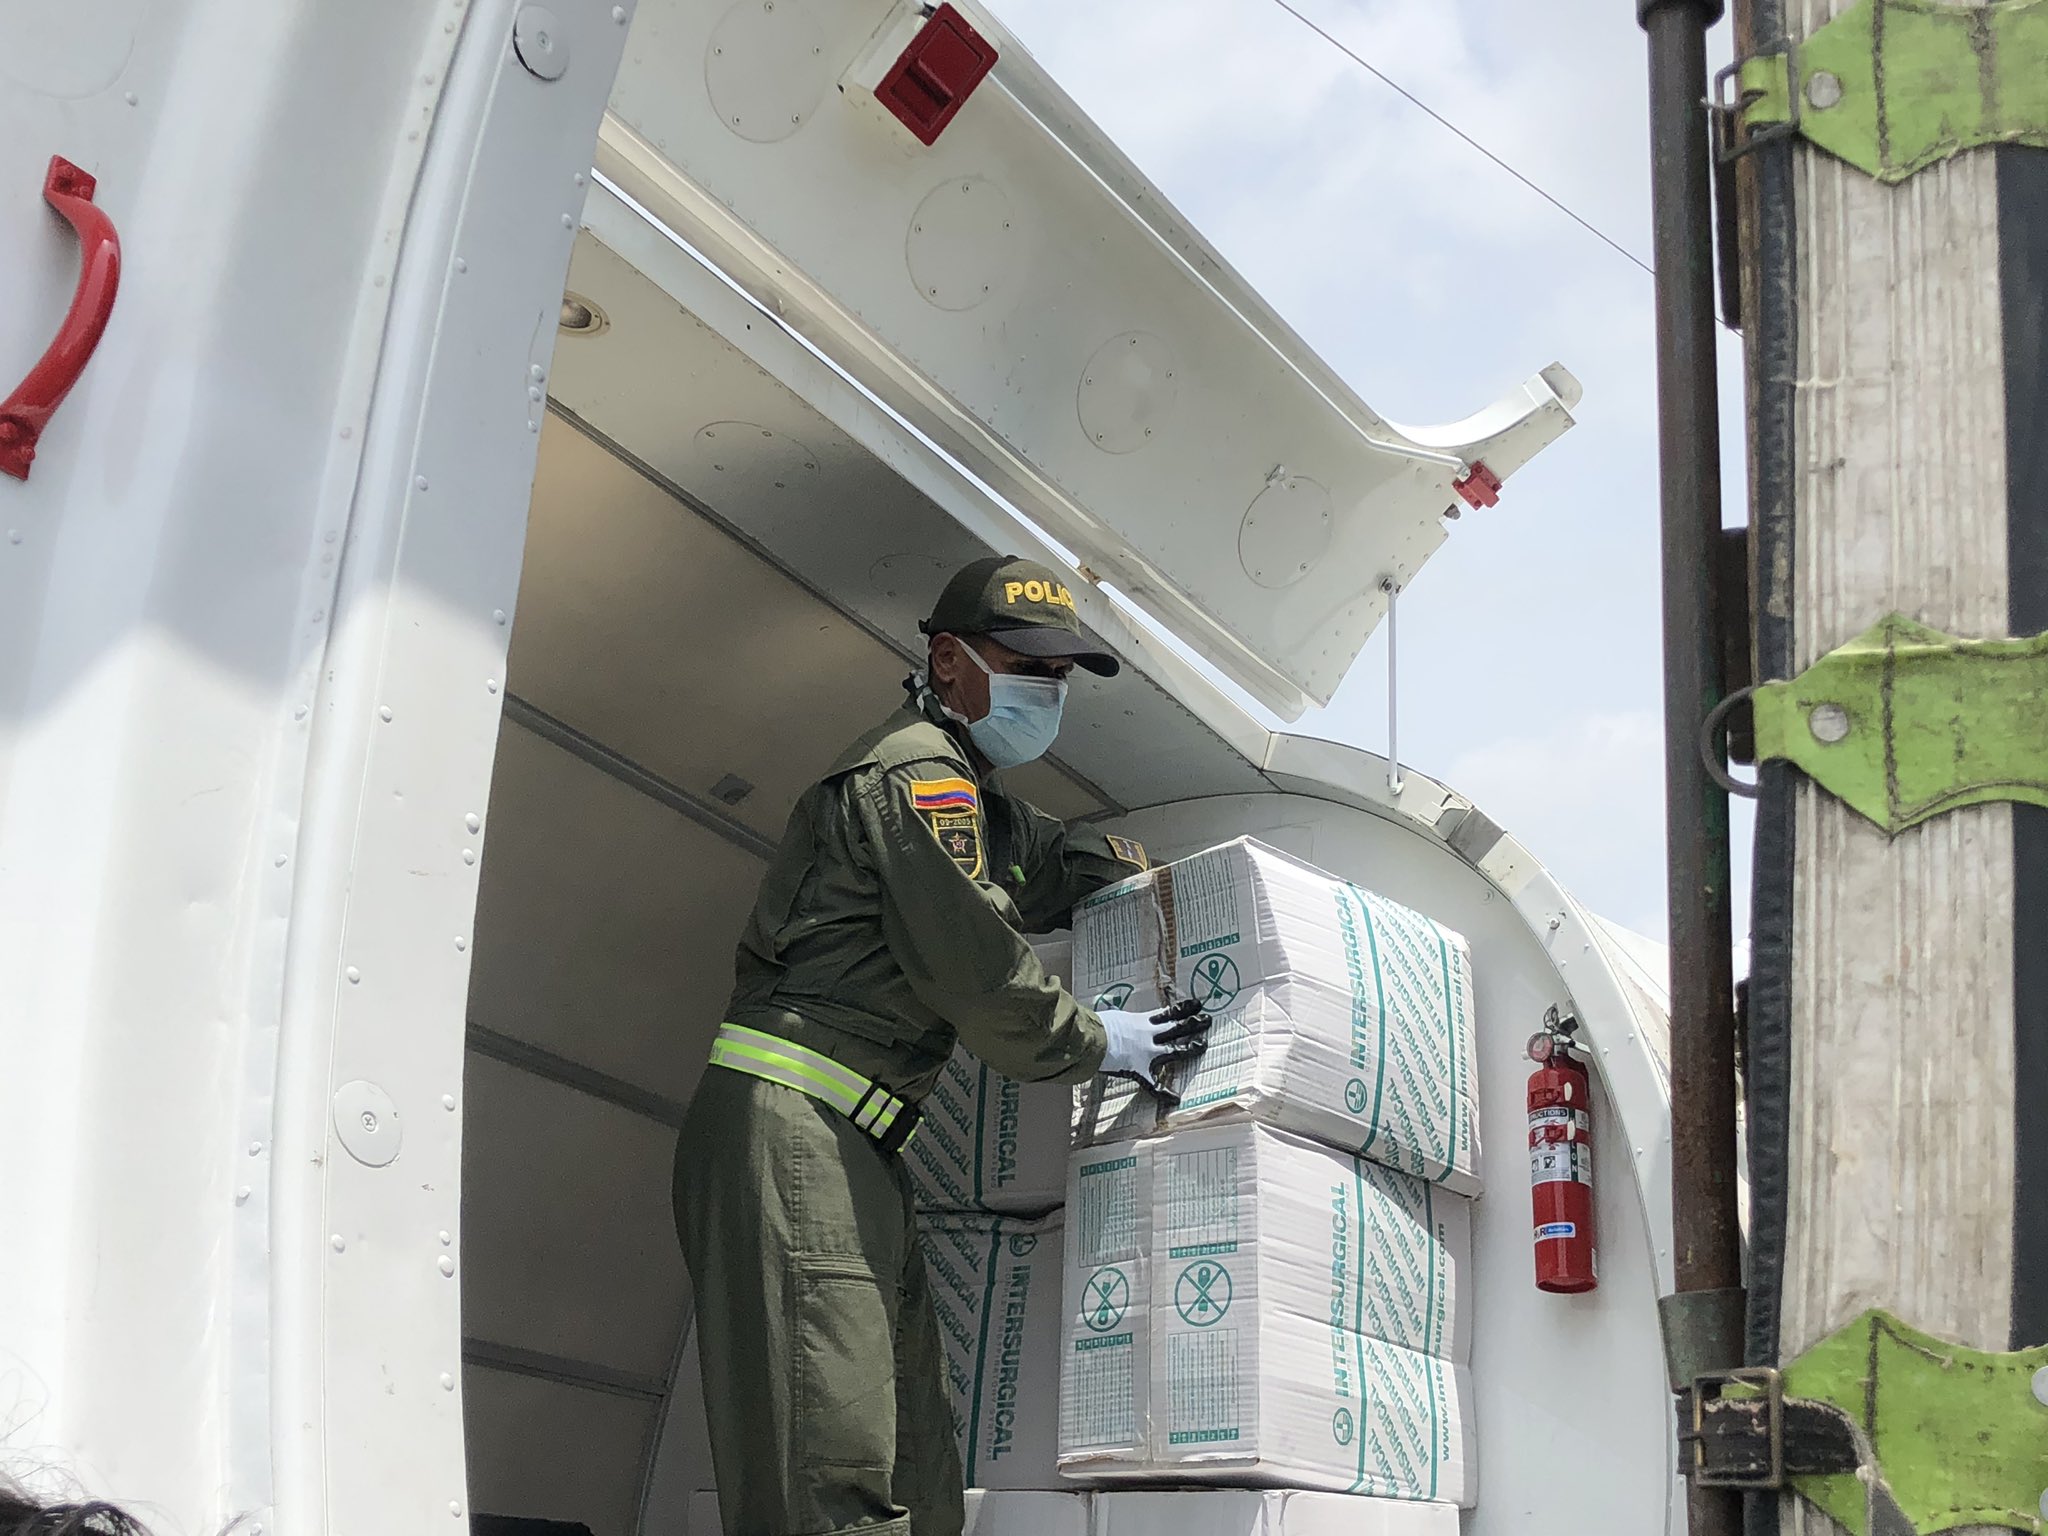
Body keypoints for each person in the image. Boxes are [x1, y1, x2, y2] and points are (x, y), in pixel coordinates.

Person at [674, 555, 1213, 1536]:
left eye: (1058, 678)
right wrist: (1101, 1041)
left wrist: (1194, 887)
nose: (1044, 694)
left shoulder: (973, 796)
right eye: (1026, 666)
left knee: (916, 1473)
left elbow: (1054, 860)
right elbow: (972, 968)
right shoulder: (916, 772)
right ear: (948, 660)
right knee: (828, 1479)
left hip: (857, 1148)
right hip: (795, 1131)